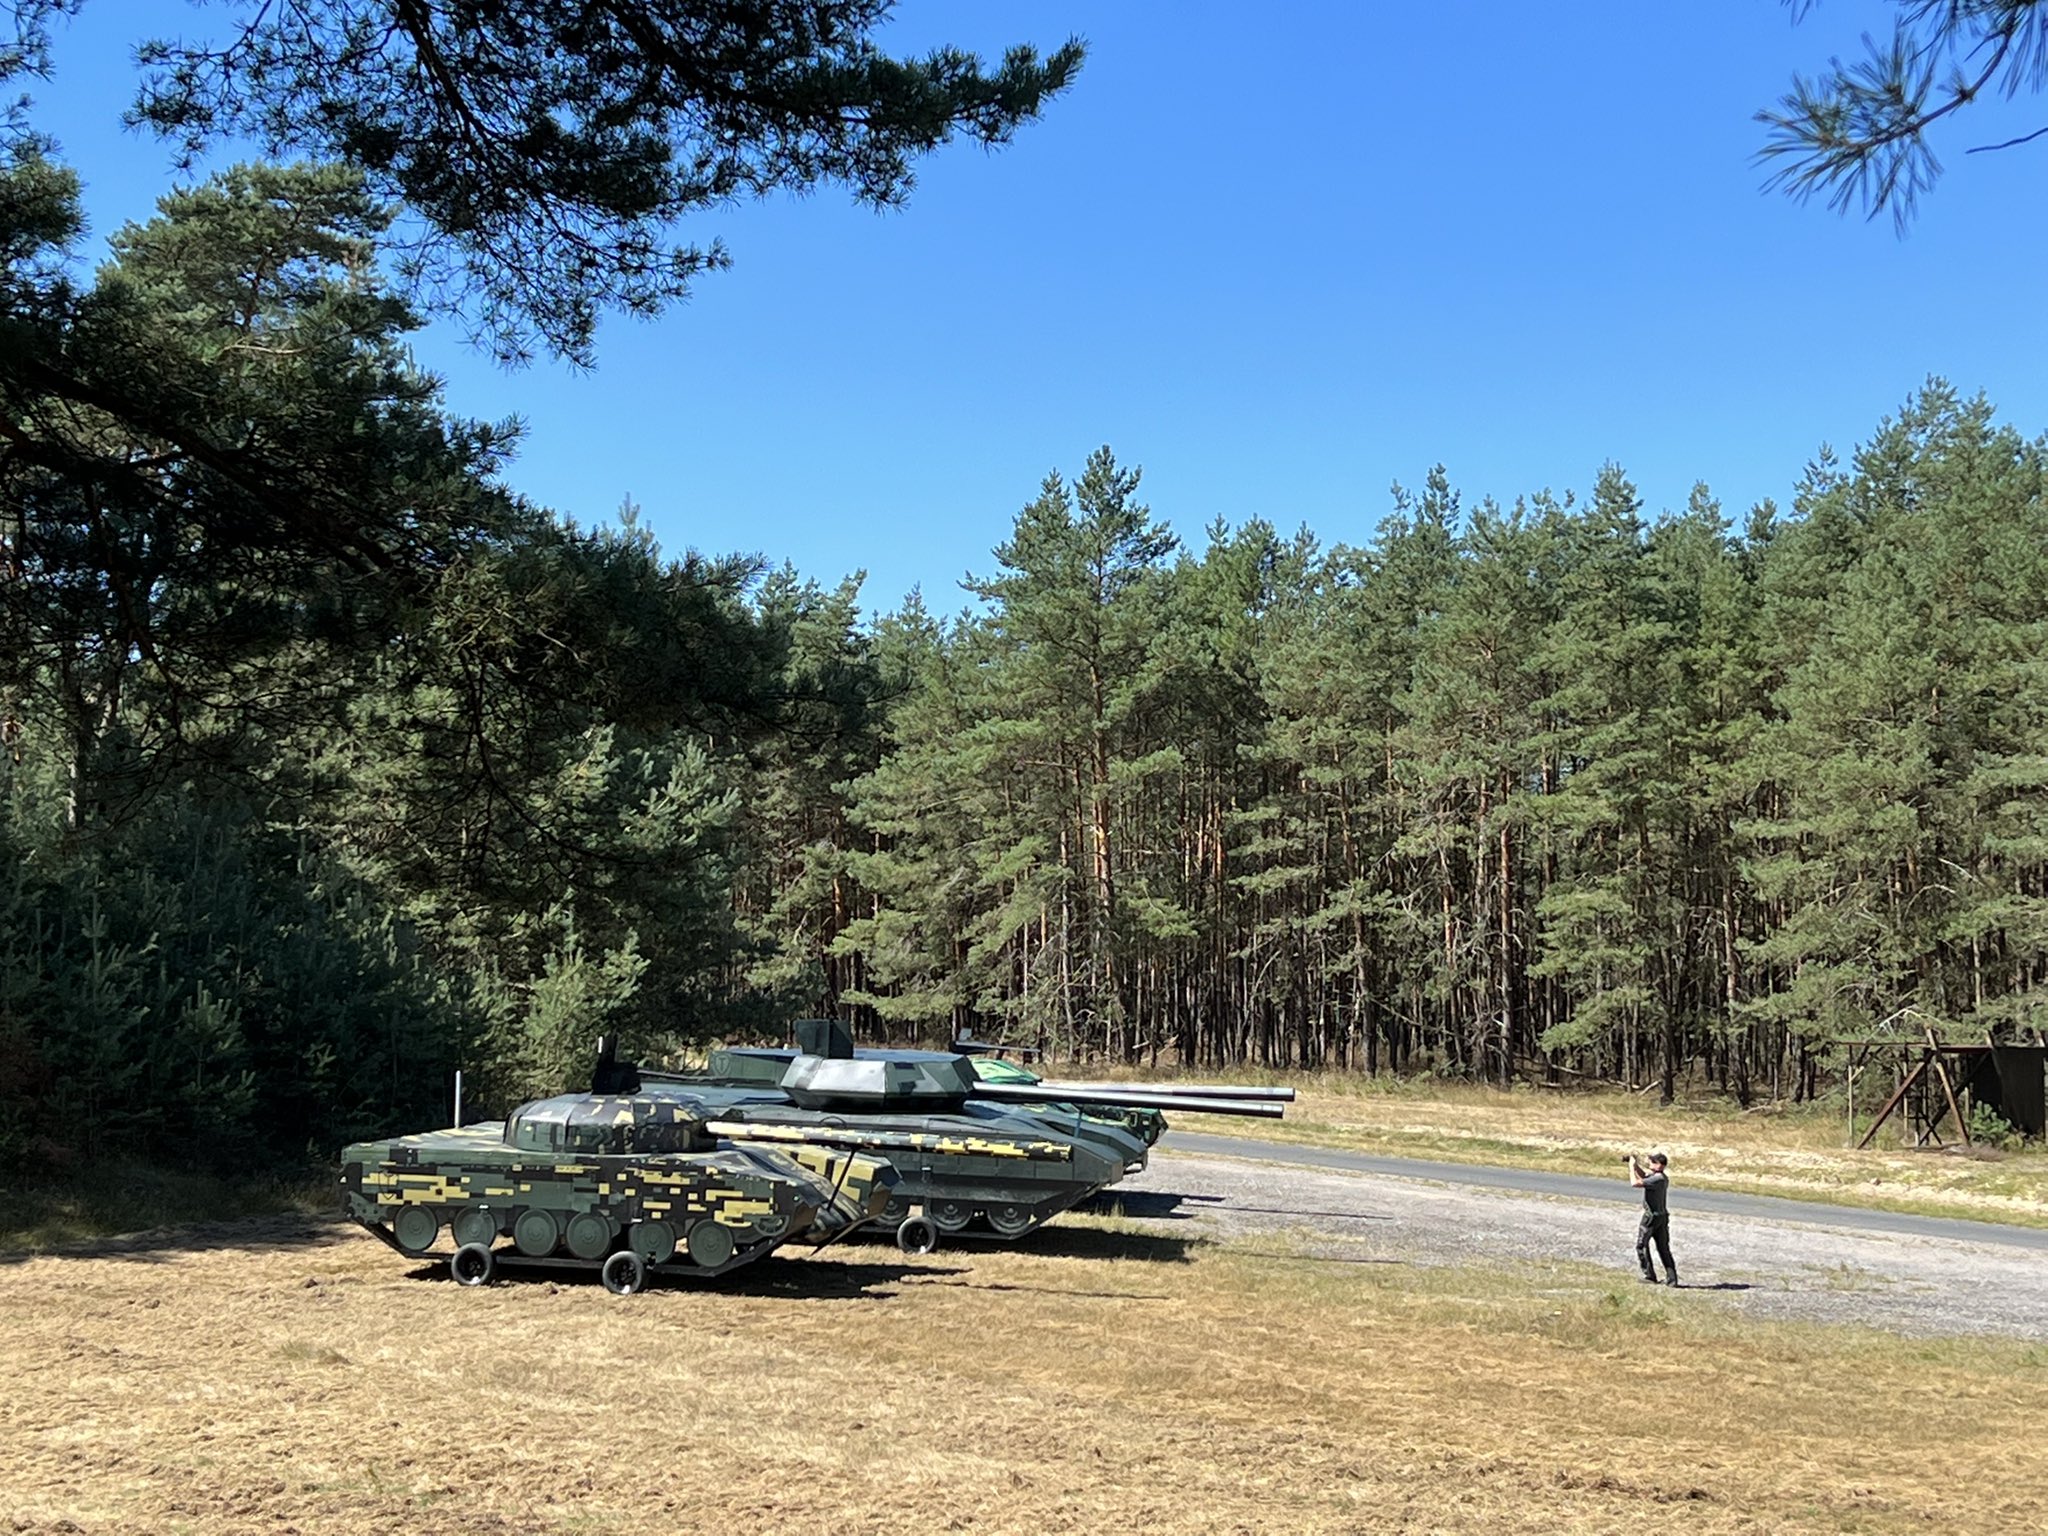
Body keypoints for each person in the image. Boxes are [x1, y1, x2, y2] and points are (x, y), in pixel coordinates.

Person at [1628, 1151, 1678, 1286]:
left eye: (1652, 1162)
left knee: (1641, 1245)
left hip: (1651, 1218)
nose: (1649, 1163)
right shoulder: (1660, 1177)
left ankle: (1649, 1276)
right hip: (1661, 1217)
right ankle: (1672, 1279)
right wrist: (1636, 1165)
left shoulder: (1657, 1179)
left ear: (1659, 1164)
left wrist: (1631, 1168)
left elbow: (1635, 1183)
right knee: (1663, 1248)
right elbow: (1644, 1177)